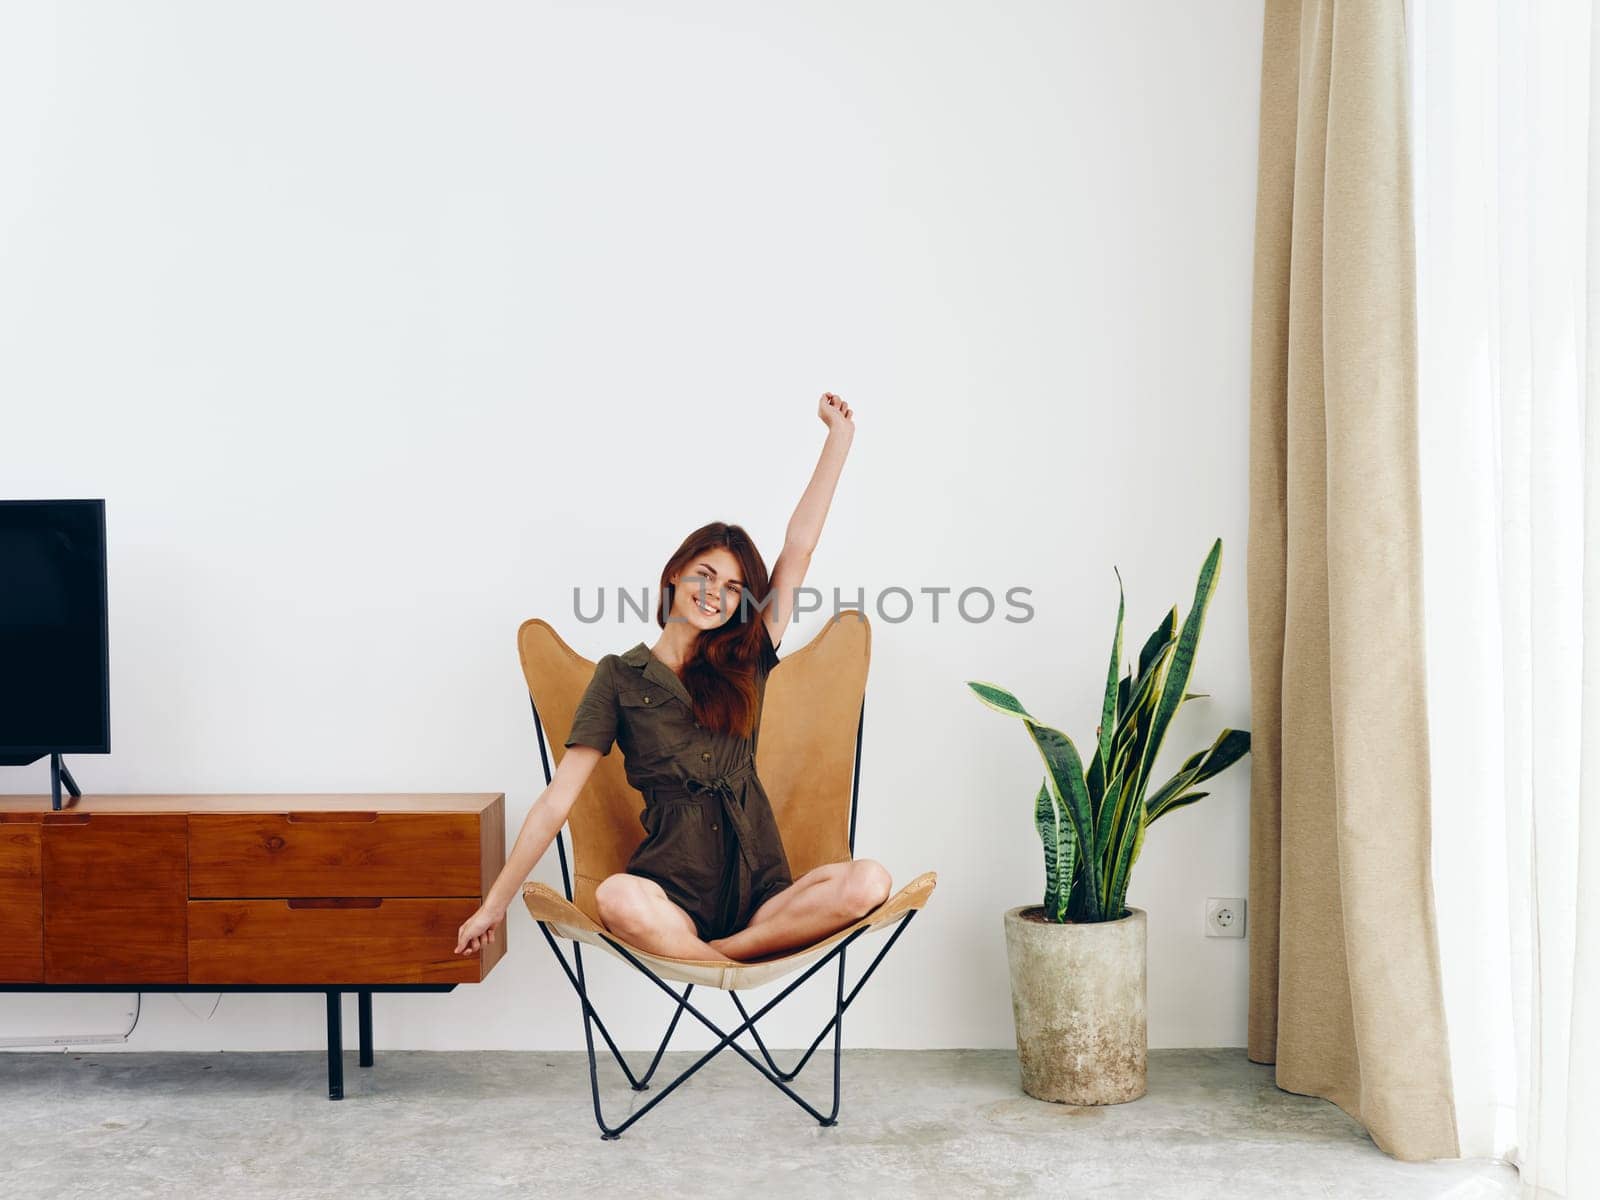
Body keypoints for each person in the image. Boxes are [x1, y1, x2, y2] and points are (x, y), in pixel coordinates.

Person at [454, 392, 891, 964]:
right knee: (615, 896)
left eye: (734, 587)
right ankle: (717, 954)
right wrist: (493, 905)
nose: (716, 594)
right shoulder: (618, 677)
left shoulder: (747, 658)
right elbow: (556, 802)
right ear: (676, 575)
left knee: (870, 881)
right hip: (671, 896)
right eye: (705, 575)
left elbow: (799, 547)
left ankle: (722, 955)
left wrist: (839, 439)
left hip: (762, 893)